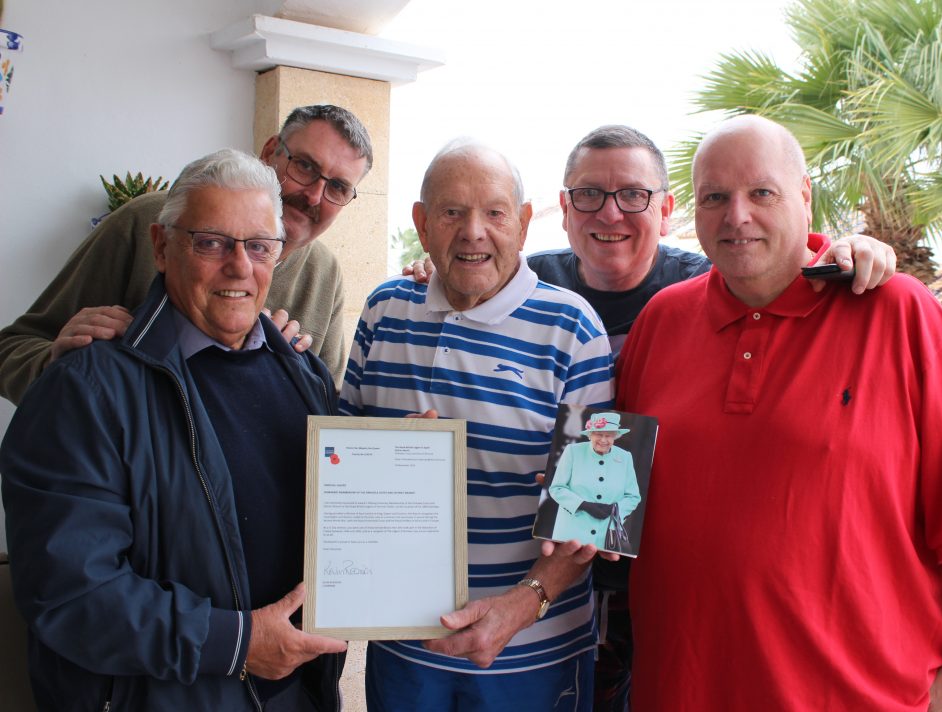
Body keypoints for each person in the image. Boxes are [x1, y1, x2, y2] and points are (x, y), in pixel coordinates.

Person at [407, 123, 899, 711]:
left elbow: (780, 269)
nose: (610, 213)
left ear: (665, 210)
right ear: (563, 210)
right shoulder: (529, 287)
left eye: (633, 196)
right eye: (589, 194)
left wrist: (847, 250)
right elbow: (466, 265)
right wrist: (433, 268)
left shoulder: (708, 285)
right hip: (571, 587)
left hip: (668, 595)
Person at [614, 115, 942, 711]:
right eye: (715, 197)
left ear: (804, 196)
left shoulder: (896, 312)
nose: (737, 216)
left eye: (762, 192)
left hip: (863, 696)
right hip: (680, 689)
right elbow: (614, 490)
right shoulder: (661, 320)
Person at [0, 149, 349, 711]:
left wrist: (405, 461)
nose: (240, 266)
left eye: (259, 247)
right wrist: (236, 644)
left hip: (295, 694)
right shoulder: (84, 390)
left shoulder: (304, 375)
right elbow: (70, 594)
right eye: (211, 242)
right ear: (162, 248)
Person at [339, 139, 613, 711]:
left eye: (494, 211)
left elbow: (597, 514)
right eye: (451, 211)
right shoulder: (384, 309)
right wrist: (385, 461)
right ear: (421, 222)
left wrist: (521, 605)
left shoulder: (574, 326)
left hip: (534, 652)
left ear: (524, 221)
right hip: (405, 650)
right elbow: (338, 465)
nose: (473, 231)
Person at [0, 104, 373, 404]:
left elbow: (326, 415)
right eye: (305, 166)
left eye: (338, 187)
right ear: (270, 151)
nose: (313, 195)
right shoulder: (147, 220)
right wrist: (55, 362)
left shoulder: (325, 274)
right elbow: (11, 350)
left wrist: (293, 370)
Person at [549, 412, 640, 552]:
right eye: (599, 434)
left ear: (615, 436)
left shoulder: (625, 457)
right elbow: (557, 488)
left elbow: (633, 496)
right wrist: (583, 505)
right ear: (590, 434)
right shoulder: (573, 451)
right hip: (569, 532)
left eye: (609, 435)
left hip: (604, 537)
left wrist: (615, 510)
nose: (604, 440)